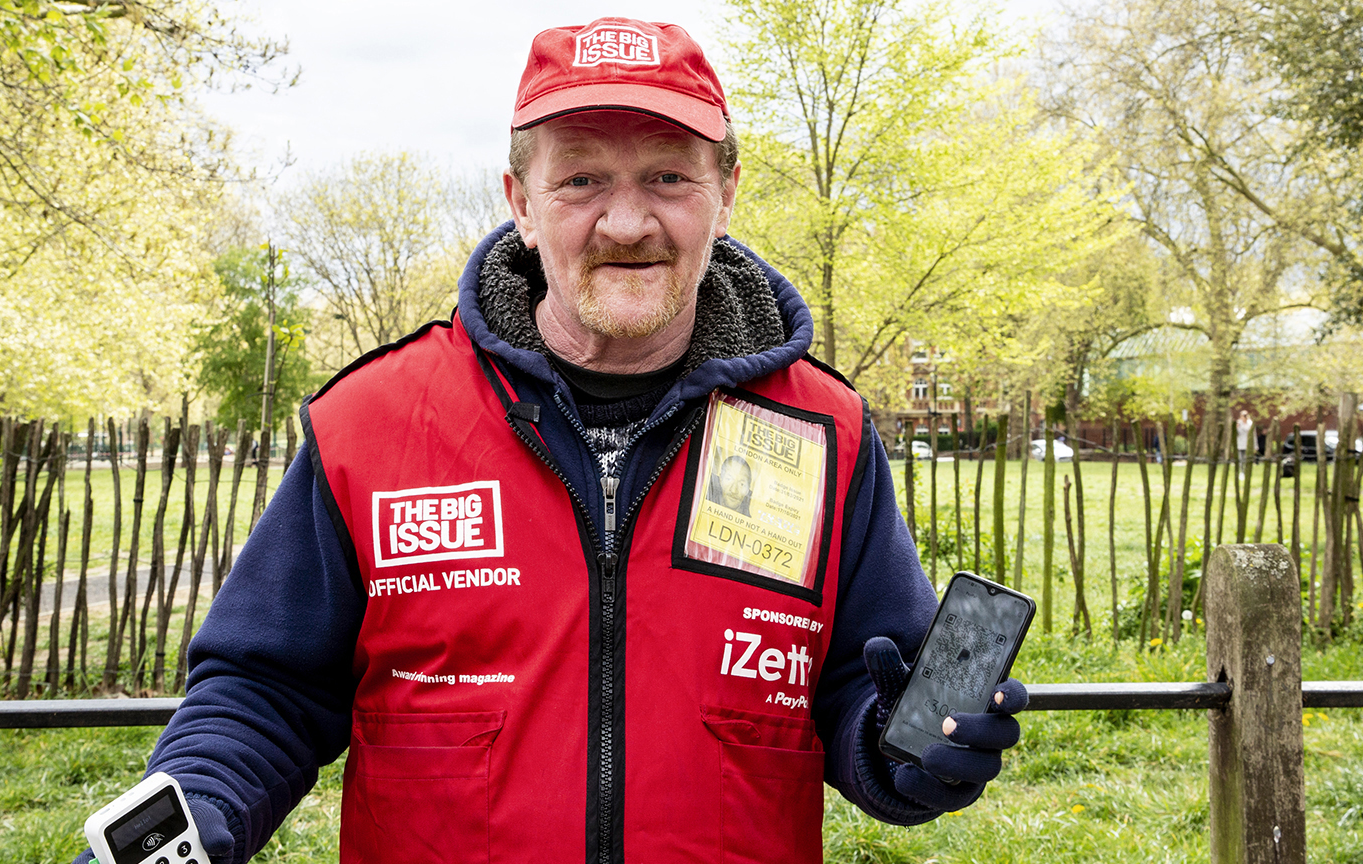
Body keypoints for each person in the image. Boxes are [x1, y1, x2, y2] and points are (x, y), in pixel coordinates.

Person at [75, 17, 1025, 863]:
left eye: (667, 175)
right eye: (580, 179)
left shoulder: (826, 433)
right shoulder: (369, 425)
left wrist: (910, 756)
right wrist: (189, 822)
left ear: (724, 193)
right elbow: (262, 693)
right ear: (520, 201)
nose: (625, 221)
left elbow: (865, 691)